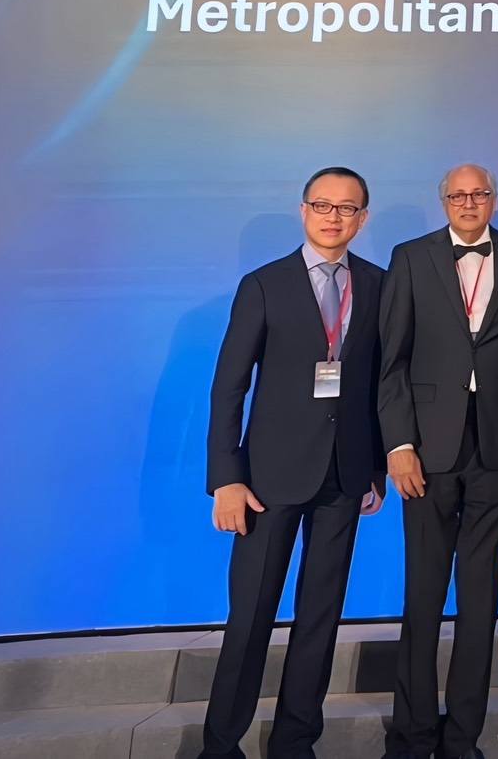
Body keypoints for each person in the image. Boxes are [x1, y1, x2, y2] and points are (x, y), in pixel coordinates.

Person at [201, 167, 387, 759]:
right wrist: (226, 478)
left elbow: (381, 384)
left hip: (344, 477)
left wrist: (376, 466)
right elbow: (229, 388)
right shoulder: (264, 284)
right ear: (303, 210)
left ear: (363, 218)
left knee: (320, 619)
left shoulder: (379, 285)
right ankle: (220, 745)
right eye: (322, 205)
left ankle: (295, 742)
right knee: (251, 617)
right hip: (266, 480)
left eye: (347, 208)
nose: (334, 217)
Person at [379, 163, 498, 759]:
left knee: (481, 600)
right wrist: (399, 445)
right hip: (427, 451)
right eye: (458, 195)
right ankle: (412, 733)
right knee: (423, 596)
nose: (469, 203)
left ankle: (462, 737)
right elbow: (391, 360)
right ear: (444, 201)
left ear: (494, 199)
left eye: (479, 194)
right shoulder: (411, 257)